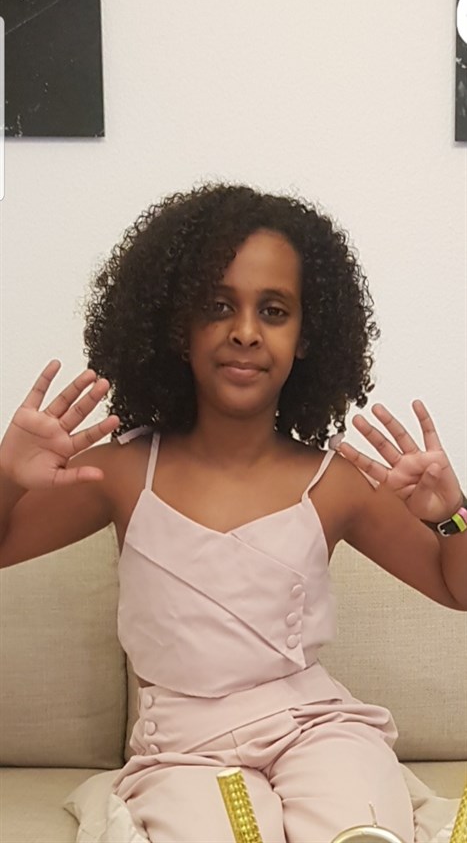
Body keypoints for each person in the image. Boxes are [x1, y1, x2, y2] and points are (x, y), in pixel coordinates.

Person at [0, 183, 465, 843]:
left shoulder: (336, 483)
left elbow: (454, 587)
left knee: (357, 828)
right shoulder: (122, 471)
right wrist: (6, 476)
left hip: (317, 730)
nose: (245, 331)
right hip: (184, 750)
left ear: (306, 336)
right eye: (218, 307)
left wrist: (451, 515)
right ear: (176, 326)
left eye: (273, 311)